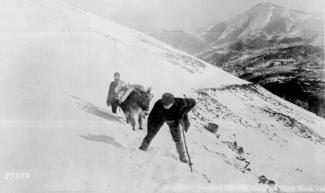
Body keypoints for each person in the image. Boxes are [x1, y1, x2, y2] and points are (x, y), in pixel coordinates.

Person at [139, 93, 196, 163]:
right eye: (164, 105)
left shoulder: (180, 102)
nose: (165, 107)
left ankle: (182, 157)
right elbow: (152, 117)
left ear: (172, 102)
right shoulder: (158, 104)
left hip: (173, 120)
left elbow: (193, 102)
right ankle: (142, 149)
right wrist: (150, 128)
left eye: (167, 105)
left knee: (177, 138)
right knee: (150, 135)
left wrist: (183, 113)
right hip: (159, 118)